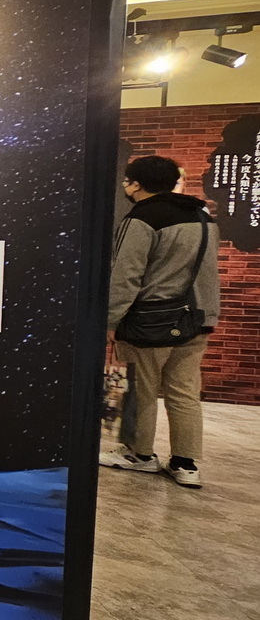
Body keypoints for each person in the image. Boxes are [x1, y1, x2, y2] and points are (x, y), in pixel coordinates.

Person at [100, 155, 220, 489]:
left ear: (135, 184)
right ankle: (185, 463)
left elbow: (126, 275)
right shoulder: (202, 215)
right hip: (197, 319)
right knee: (184, 392)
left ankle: (139, 454)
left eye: (127, 181)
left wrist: (111, 319)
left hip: (149, 320)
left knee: (140, 390)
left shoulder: (141, 218)